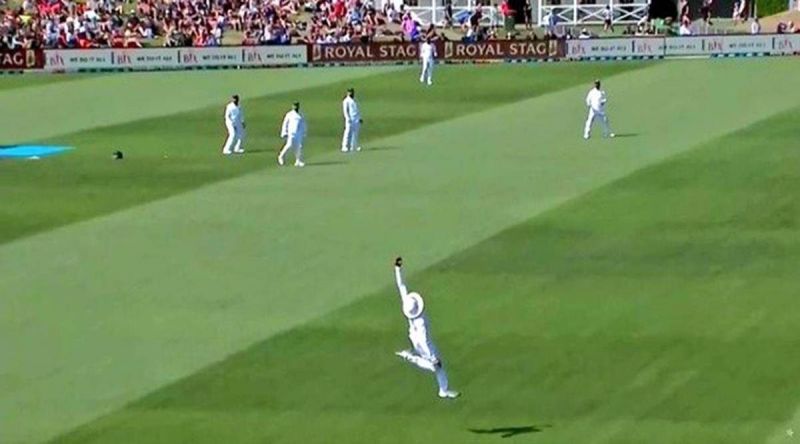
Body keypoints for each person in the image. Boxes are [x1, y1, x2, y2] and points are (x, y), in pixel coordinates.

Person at [393, 257, 460, 399]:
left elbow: (401, 286)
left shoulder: (407, 303)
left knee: (436, 366)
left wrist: (397, 269)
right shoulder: (421, 321)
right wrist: (432, 356)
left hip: (413, 336)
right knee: (436, 366)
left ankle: (444, 388)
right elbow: (424, 339)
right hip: (422, 342)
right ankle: (411, 358)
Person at [278, 101, 306, 167]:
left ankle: (298, 161)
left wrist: (304, 132)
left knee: (299, 146)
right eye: (294, 106)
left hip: (298, 133)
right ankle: (280, 156)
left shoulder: (301, 114)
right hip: (291, 132)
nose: (295, 107)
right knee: (289, 145)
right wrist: (284, 132)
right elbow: (285, 123)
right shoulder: (289, 114)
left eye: (296, 106)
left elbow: (303, 124)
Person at [341, 88, 362, 153]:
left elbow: (357, 109)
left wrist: (359, 118)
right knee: (347, 133)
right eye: (349, 92)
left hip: (356, 119)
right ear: (347, 93)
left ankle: (354, 146)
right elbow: (345, 111)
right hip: (350, 119)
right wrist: (347, 118)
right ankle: (344, 146)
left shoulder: (355, 99)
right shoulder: (346, 101)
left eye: (351, 92)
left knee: (355, 133)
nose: (351, 93)